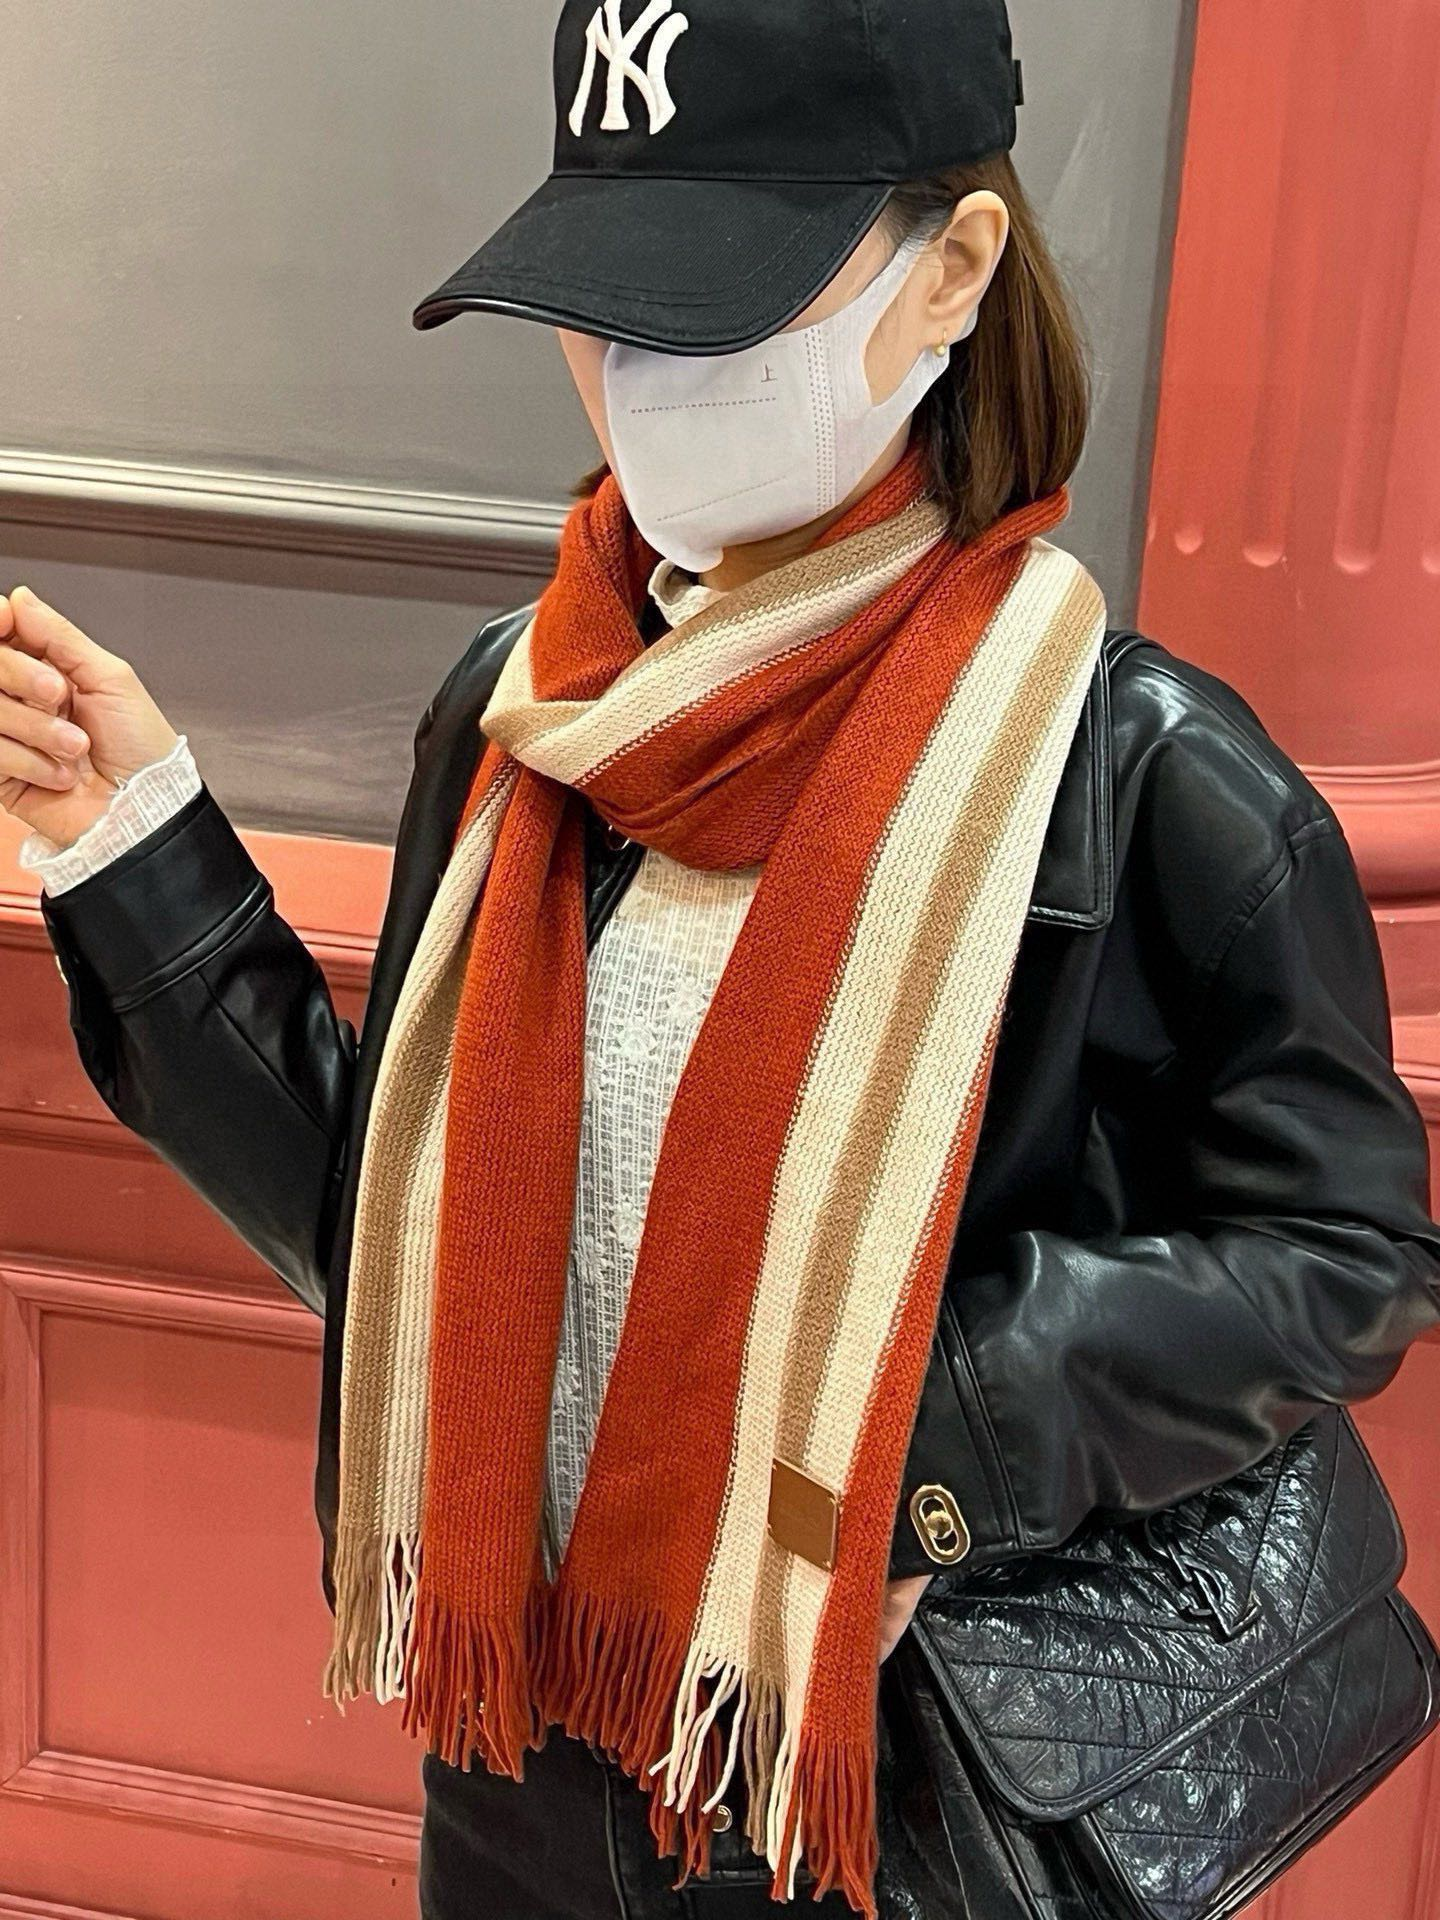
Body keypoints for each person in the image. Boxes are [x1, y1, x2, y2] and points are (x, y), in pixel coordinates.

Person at [4, 2, 1439, 1917]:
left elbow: (1344, 1254)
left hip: (883, 1786)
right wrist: (131, 845)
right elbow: (395, 1237)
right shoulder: (529, 724)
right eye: (603, 307)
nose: (640, 376)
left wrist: (929, 1431)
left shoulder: (1140, 775)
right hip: (519, 1747)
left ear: (954, 270)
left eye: (719, 307)